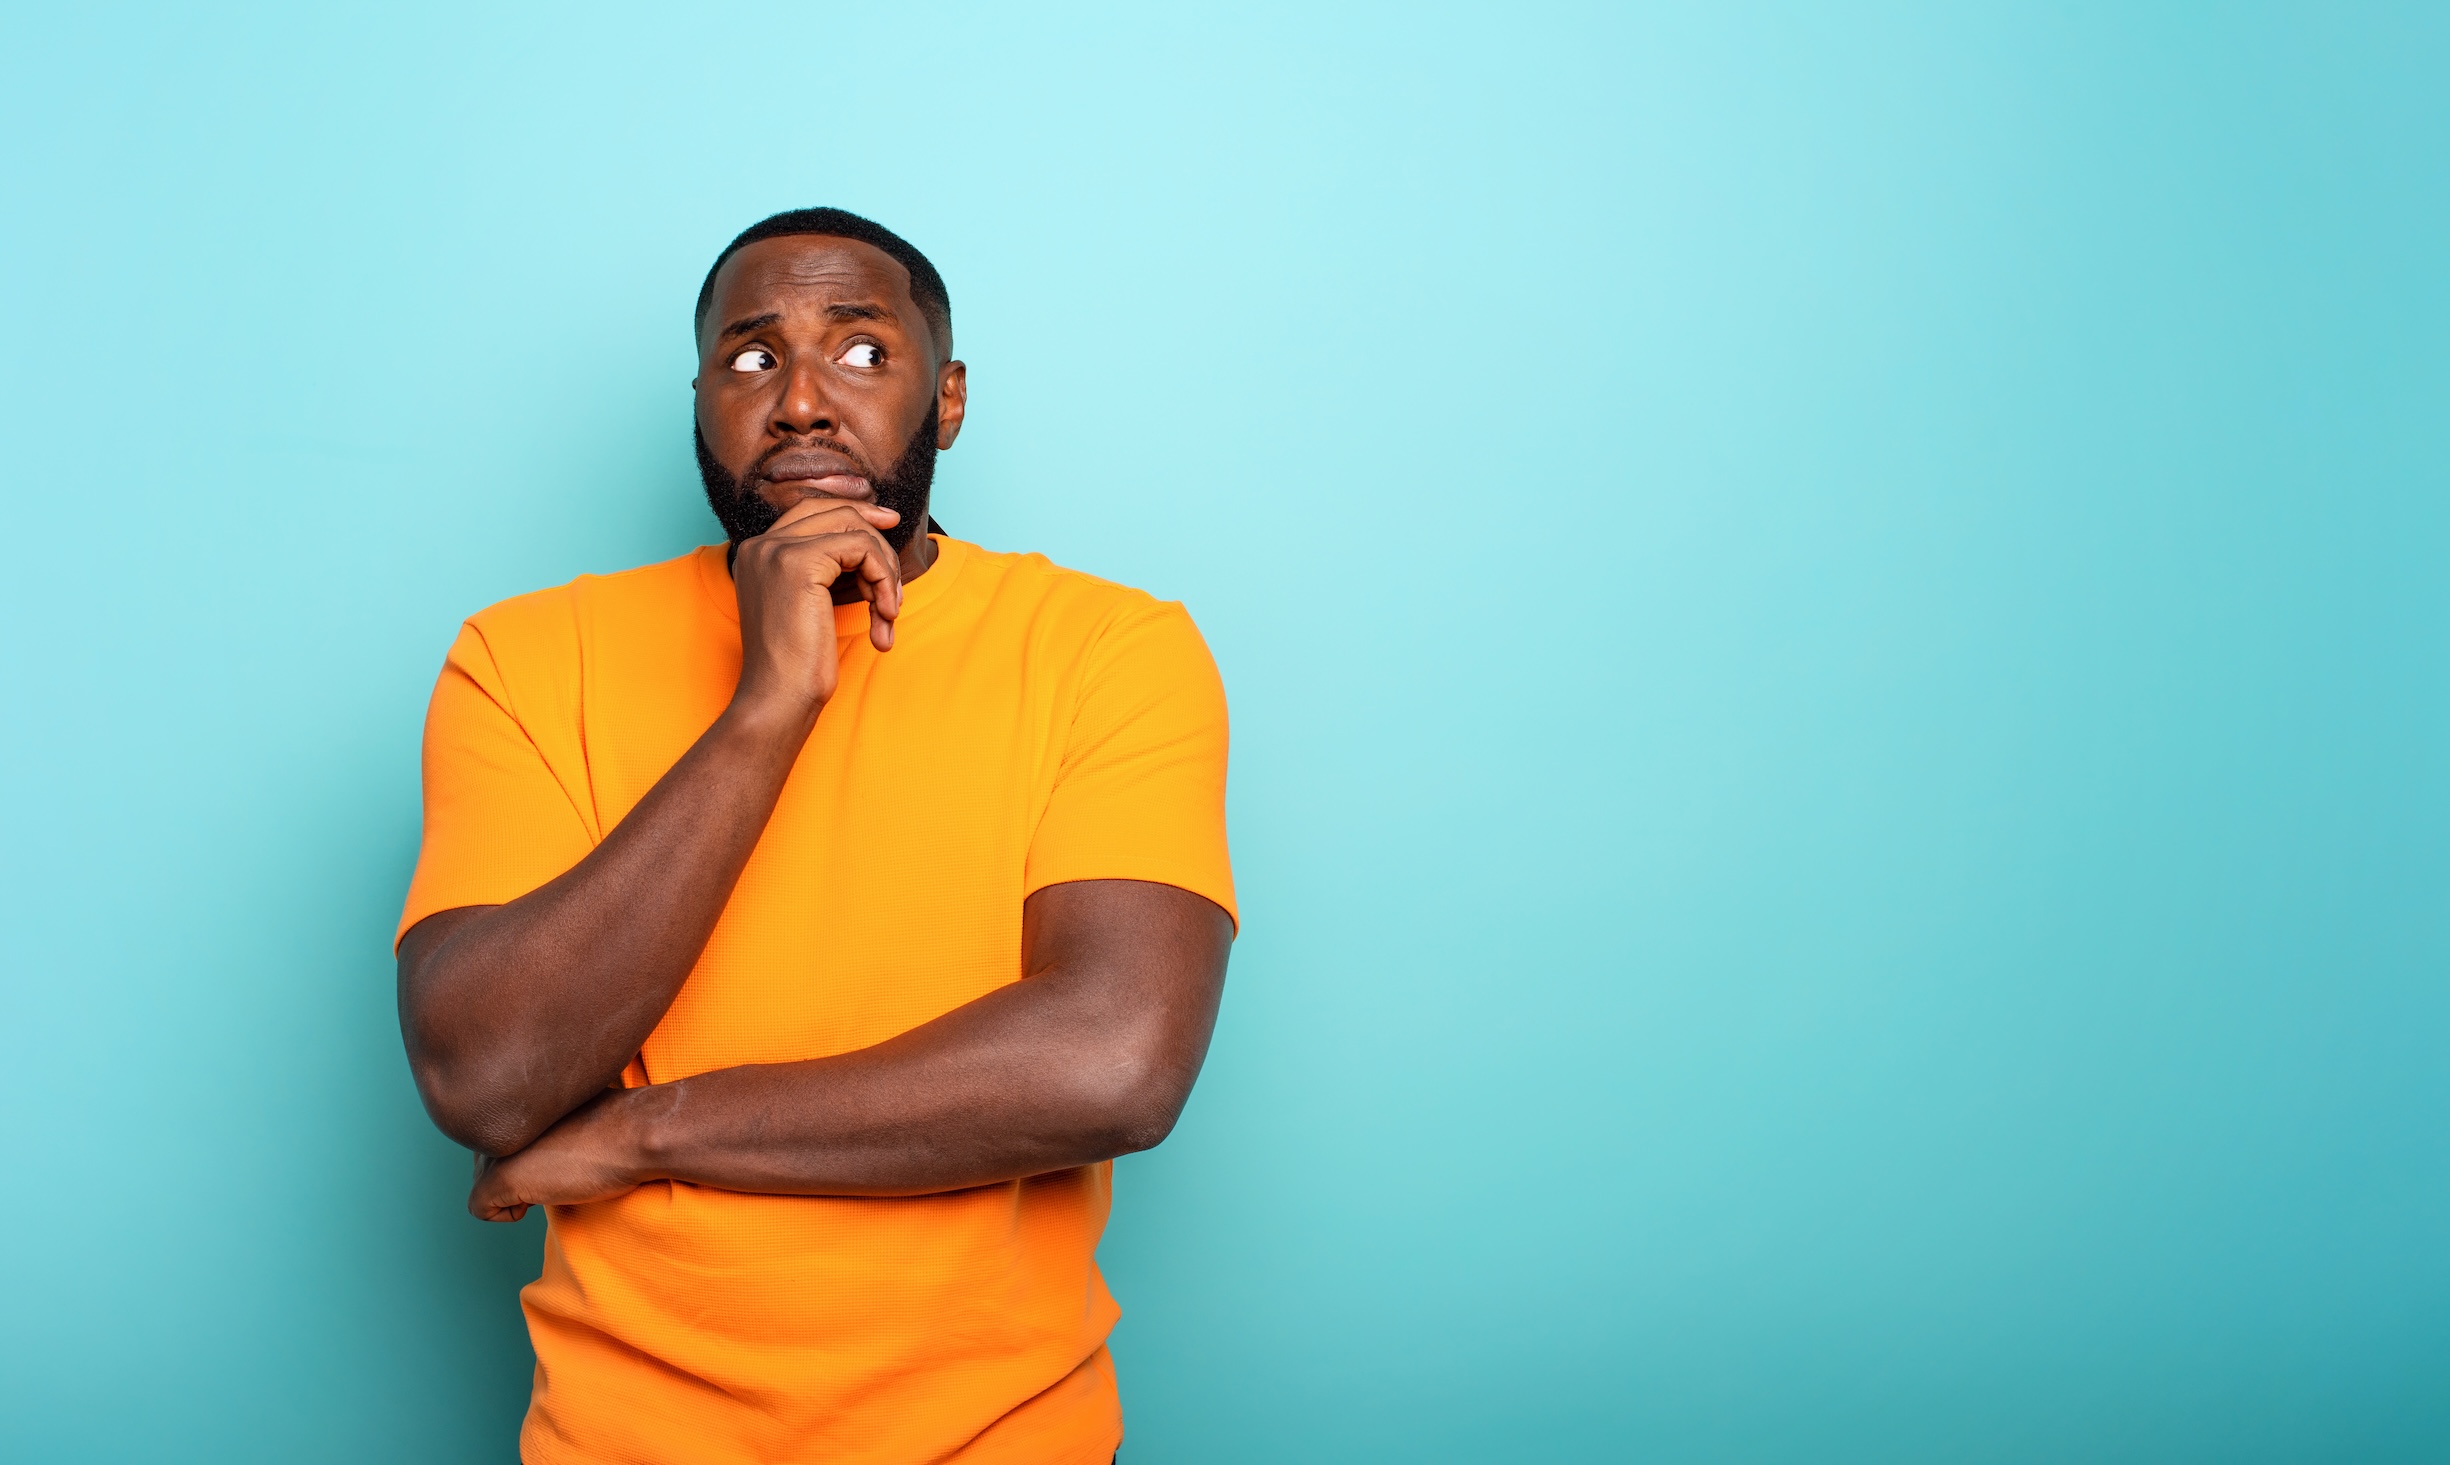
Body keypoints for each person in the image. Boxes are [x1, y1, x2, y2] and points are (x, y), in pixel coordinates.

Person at [394, 207, 1235, 1465]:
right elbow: (487, 1077)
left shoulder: (1109, 651)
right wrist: (767, 704)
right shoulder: (527, 657)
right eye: (749, 359)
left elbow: (1113, 1059)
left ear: (945, 399)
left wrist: (642, 1130)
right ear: (698, 400)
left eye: (859, 351)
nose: (798, 401)